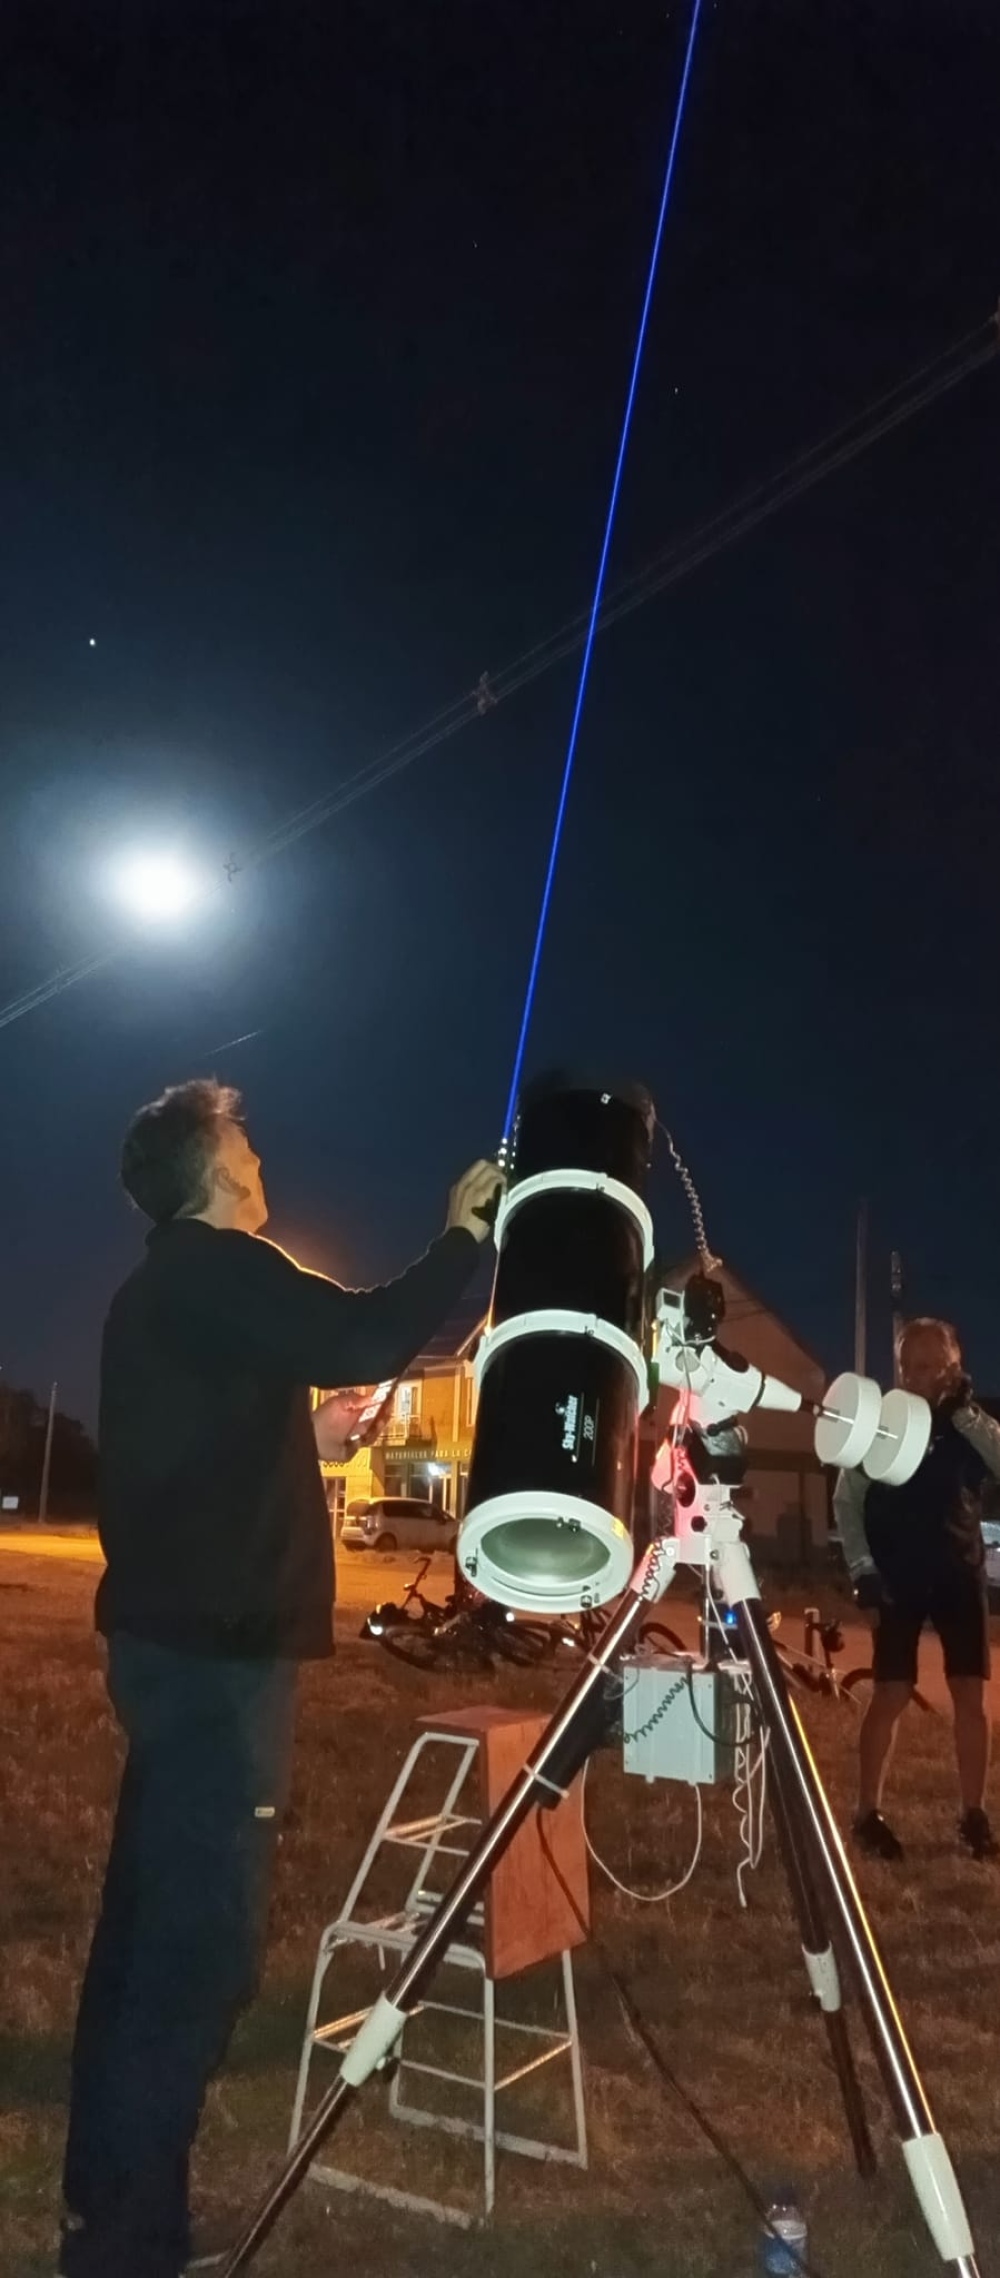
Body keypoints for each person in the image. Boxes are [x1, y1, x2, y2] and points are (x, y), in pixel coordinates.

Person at [60, 1078, 502, 2278]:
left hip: (173, 1651)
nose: (261, 1150)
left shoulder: (166, 1291)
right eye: (243, 1136)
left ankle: (104, 2218)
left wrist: (300, 1440)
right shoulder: (213, 1268)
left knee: (144, 1937)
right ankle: (133, 2250)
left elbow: (200, 1442)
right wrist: (464, 1231)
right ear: (215, 1165)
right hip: (216, 1661)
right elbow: (360, 1330)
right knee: (199, 1955)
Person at [834, 1316, 1000, 1863]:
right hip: (896, 1576)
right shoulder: (881, 1421)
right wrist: (862, 1570)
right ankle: (866, 1814)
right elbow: (846, 1499)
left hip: (959, 1571)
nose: (921, 1375)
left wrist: (966, 1414)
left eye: (933, 1365)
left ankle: (973, 1815)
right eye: (911, 1365)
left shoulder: (968, 1424)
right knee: (891, 1692)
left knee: (970, 1697)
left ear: (954, 1366)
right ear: (898, 1369)